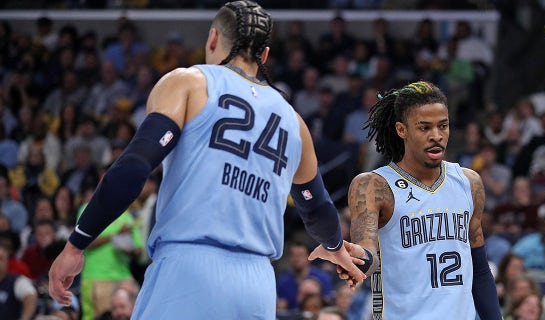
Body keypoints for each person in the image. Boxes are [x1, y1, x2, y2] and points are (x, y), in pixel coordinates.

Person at [48, 2, 366, 319]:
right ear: (264, 56)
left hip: (188, 271)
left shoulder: (189, 82)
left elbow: (134, 168)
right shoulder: (295, 123)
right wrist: (336, 247)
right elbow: (316, 206)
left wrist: (77, 243)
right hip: (256, 286)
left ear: (212, 39)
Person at [337, 81, 501, 319]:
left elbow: (480, 270)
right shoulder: (374, 185)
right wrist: (356, 259)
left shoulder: (469, 182)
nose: (437, 136)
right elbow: (368, 253)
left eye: (443, 126)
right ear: (402, 130)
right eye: (424, 128)